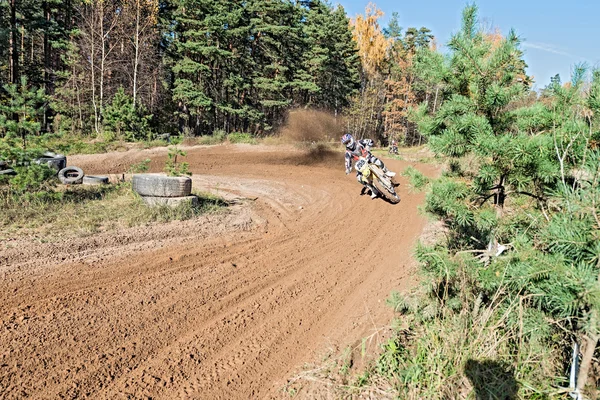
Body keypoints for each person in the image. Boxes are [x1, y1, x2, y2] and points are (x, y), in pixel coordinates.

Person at [341, 133, 396, 199]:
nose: (348, 144)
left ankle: (387, 171)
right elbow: (347, 161)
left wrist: (368, 146)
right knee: (359, 178)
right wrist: (348, 169)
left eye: (348, 141)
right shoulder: (348, 152)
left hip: (368, 158)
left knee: (377, 161)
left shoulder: (359, 142)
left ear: (351, 139)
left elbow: (370, 141)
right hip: (361, 165)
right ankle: (373, 189)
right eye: (346, 143)